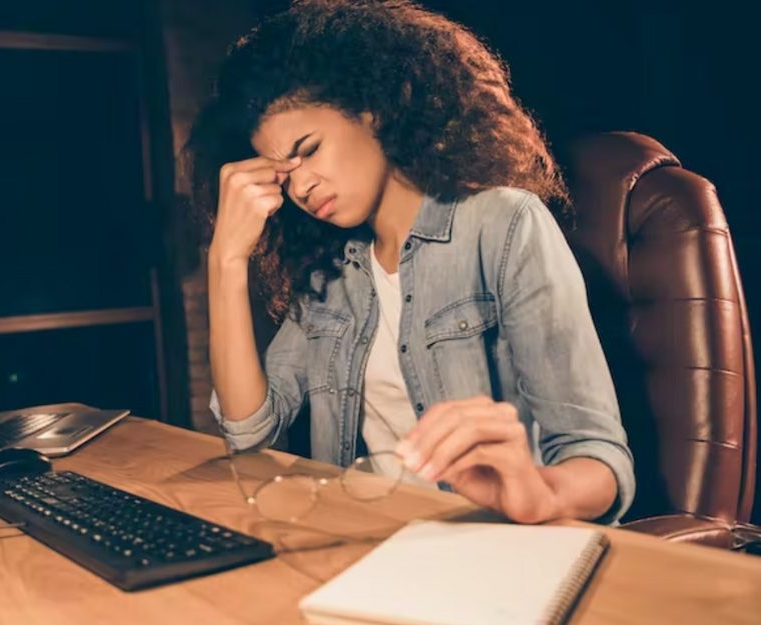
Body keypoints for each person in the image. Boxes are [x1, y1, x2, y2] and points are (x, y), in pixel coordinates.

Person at [187, 0, 634, 524]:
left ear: (371, 108)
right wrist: (227, 259)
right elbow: (250, 434)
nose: (301, 185)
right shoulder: (328, 273)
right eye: (283, 176)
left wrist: (540, 492)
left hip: (487, 551)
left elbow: (599, 460)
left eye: (307, 149)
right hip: (359, 543)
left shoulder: (503, 223)